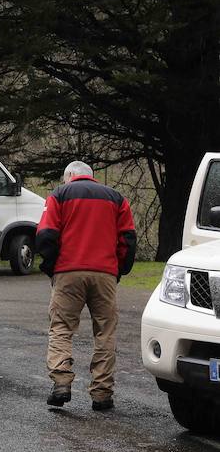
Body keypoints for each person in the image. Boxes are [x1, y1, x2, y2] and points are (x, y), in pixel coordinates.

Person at [35, 161, 137, 411]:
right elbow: (128, 239)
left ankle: (61, 382)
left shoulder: (59, 194)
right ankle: (102, 393)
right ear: (91, 177)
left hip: (68, 272)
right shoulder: (117, 198)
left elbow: (46, 235)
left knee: (61, 328)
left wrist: (51, 267)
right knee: (105, 331)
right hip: (104, 273)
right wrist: (118, 270)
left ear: (70, 176)